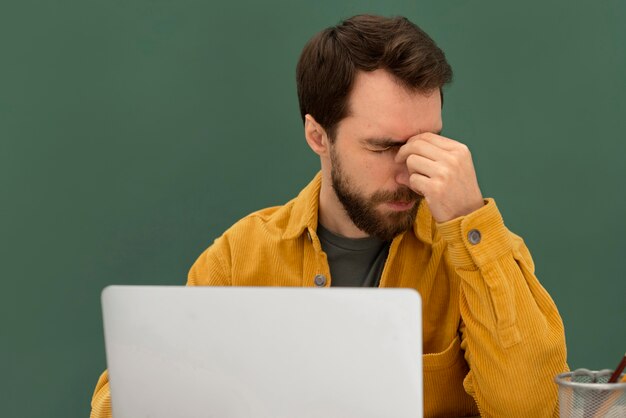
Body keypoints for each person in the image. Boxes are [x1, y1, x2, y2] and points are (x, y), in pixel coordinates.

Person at [90, 14, 567, 417]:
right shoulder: (241, 256)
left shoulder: (479, 254)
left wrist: (467, 218)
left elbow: (535, 408)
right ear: (318, 137)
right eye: (383, 147)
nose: (410, 173)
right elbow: (124, 401)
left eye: (428, 143)